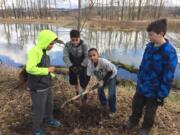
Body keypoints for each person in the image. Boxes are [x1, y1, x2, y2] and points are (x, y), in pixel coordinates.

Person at [123, 19, 178, 135]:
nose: (149, 37)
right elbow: (143, 65)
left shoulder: (170, 52)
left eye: (151, 34)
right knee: (136, 105)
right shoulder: (149, 47)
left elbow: (168, 76)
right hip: (142, 86)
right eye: (148, 34)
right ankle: (133, 121)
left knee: (150, 112)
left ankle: (145, 128)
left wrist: (161, 95)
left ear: (161, 34)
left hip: (155, 90)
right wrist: (139, 80)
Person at [26, 30, 61, 135]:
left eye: (53, 44)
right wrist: (47, 70)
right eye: (50, 43)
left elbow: (44, 68)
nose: (52, 46)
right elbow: (30, 68)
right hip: (37, 88)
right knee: (39, 110)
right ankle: (36, 129)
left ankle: (49, 120)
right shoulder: (35, 51)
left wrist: (52, 75)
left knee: (50, 105)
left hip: (47, 85)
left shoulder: (44, 52)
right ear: (44, 41)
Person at [87, 48, 117, 117]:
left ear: (98, 55)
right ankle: (103, 103)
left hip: (112, 75)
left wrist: (103, 81)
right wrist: (89, 87)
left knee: (111, 94)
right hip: (101, 77)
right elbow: (90, 77)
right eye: (90, 56)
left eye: (94, 55)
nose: (92, 57)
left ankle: (112, 110)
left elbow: (110, 72)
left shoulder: (103, 62)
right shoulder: (90, 65)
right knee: (100, 89)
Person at [63, 29, 90, 101]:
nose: (74, 42)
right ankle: (77, 94)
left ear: (79, 38)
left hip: (82, 65)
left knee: (83, 82)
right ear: (70, 39)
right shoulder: (67, 45)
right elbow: (65, 57)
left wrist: (82, 66)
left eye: (76, 40)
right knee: (74, 81)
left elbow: (87, 56)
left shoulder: (84, 45)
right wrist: (70, 66)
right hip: (72, 65)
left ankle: (85, 95)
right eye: (73, 40)